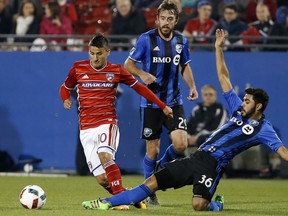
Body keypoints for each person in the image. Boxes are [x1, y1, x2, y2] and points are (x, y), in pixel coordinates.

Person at [81, 28, 288, 212]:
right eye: (243, 100)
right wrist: (218, 48)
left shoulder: (264, 128)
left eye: (248, 101)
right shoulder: (237, 109)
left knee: (198, 206)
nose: (242, 103)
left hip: (212, 166)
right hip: (196, 157)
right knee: (151, 182)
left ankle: (217, 204)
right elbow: (224, 78)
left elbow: (283, 152)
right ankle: (106, 201)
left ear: (258, 106)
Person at [59, 33, 173, 210]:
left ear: (108, 52)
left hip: (107, 122)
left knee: (105, 156)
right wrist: (65, 98)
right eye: (91, 53)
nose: (95, 58)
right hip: (86, 128)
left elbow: (140, 88)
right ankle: (130, 197)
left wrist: (162, 105)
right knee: (102, 179)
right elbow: (65, 88)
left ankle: (120, 201)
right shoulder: (78, 68)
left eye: (99, 54)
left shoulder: (116, 70)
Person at [123, 0, 198, 205]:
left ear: (176, 21)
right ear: (156, 19)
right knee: (152, 149)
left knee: (181, 145)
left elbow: (185, 66)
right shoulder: (146, 39)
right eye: (162, 18)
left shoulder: (182, 41)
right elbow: (128, 65)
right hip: (151, 103)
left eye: (170, 19)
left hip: (174, 101)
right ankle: (150, 191)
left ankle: (159, 170)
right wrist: (143, 74)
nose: (166, 22)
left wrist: (192, 86)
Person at [186, 85, 227, 152]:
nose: (208, 97)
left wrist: (196, 137)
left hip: (211, 137)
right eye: (205, 95)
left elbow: (216, 129)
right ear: (202, 96)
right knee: (178, 139)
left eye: (211, 94)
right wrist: (189, 136)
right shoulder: (197, 109)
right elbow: (189, 125)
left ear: (215, 96)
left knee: (202, 139)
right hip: (194, 137)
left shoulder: (220, 110)